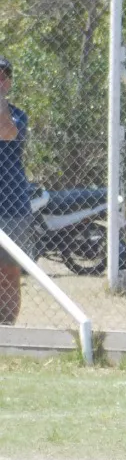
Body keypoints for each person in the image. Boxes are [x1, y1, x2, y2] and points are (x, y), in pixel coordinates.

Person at [0, 56, 32, 326]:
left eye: (2, 77)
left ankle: (8, 330)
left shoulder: (18, 116)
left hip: (11, 206)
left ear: (9, 83)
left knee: (9, 271)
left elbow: (7, 132)